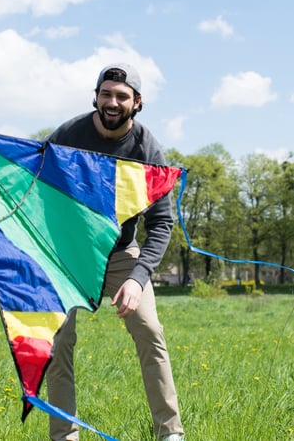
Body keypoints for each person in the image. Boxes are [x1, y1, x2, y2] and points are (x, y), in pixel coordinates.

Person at [44, 64, 185, 441]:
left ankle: (170, 433)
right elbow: (36, 189)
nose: (112, 102)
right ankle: (64, 435)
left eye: (122, 96)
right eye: (106, 93)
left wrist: (138, 279)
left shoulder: (146, 148)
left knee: (149, 329)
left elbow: (161, 223)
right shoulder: (69, 135)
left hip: (121, 251)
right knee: (58, 342)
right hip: (68, 253)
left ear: (137, 103)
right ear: (96, 96)